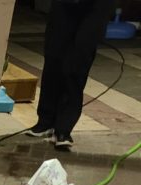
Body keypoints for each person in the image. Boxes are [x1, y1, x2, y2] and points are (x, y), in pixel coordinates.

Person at [27, 0, 114, 150]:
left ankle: (63, 129)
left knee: (77, 63)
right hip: (63, 4)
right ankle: (46, 121)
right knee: (54, 58)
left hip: (95, 7)